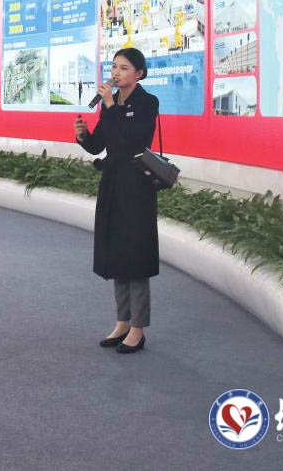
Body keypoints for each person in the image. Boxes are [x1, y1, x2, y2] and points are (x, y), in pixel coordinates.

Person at [73, 47, 160, 354]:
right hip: (112, 185)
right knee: (117, 253)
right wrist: (83, 135)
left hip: (137, 188)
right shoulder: (110, 104)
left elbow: (134, 140)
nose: (115, 73)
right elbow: (99, 145)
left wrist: (110, 106)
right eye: (114, 67)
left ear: (139, 73)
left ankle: (138, 329)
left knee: (135, 256)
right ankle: (122, 322)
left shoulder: (148, 102)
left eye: (124, 68)